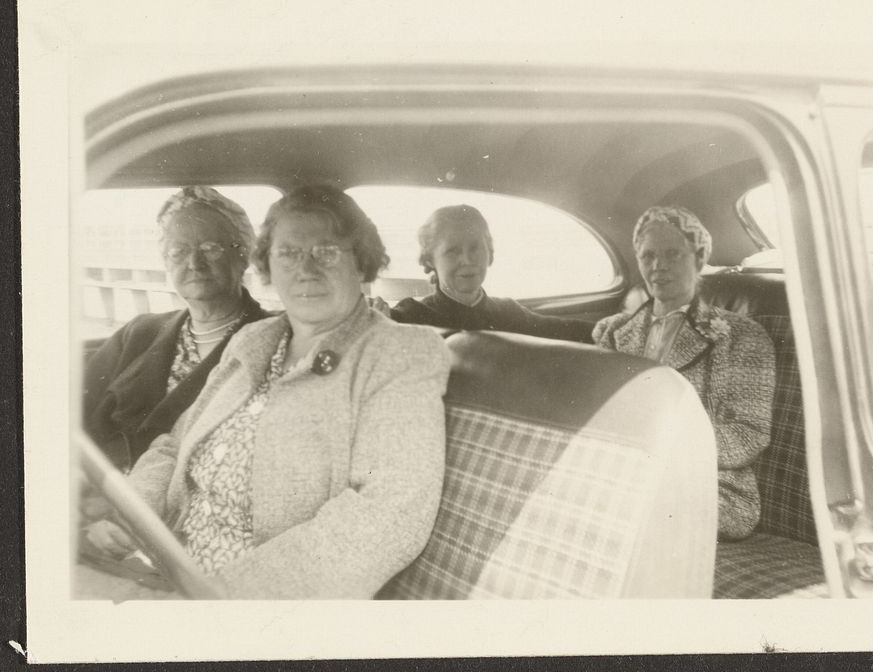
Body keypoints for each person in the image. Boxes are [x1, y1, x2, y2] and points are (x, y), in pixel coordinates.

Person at [80, 185, 451, 599]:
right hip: (161, 561)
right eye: (289, 254)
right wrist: (129, 516)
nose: (306, 269)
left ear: (362, 262)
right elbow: (172, 445)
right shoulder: (253, 340)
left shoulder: (401, 351)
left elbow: (389, 514)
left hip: (245, 599)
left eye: (326, 251)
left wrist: (225, 598)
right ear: (268, 267)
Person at [592, 206, 775, 540]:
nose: (658, 266)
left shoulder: (742, 336)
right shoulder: (611, 332)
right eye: (648, 256)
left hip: (710, 489)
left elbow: (750, 434)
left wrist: (666, 448)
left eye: (673, 254)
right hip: (625, 475)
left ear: (700, 257)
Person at [83, 186, 269, 471]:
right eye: (178, 251)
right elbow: (74, 413)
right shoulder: (138, 332)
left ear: (243, 255)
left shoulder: (270, 337)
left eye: (210, 248)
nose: (195, 263)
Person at [391, 204, 593, 342]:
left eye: (475, 248)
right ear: (430, 260)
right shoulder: (411, 315)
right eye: (452, 251)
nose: (467, 260)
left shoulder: (508, 312)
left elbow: (561, 329)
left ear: (489, 252)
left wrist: (610, 329)